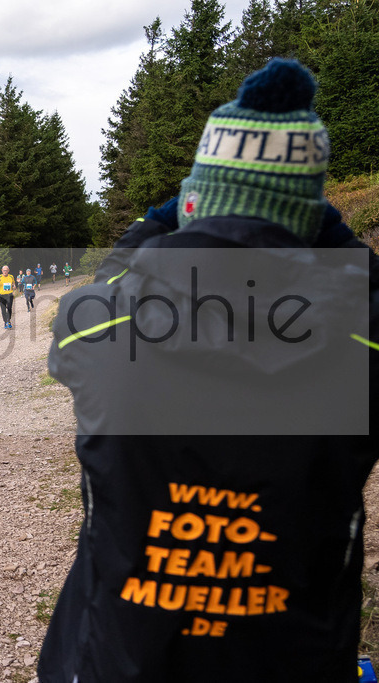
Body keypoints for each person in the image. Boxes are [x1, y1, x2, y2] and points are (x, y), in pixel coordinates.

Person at [37, 59, 378, 683]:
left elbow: (105, 280)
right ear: (310, 223)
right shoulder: (362, 340)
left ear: (193, 204)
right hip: (291, 660)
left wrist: (162, 221)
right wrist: (331, 236)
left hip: (116, 657)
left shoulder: (98, 324)